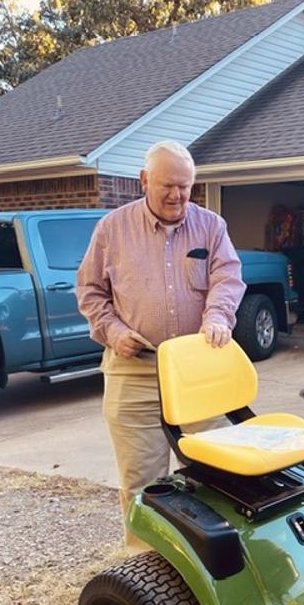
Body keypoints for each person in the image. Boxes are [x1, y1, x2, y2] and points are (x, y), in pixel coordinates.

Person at [77, 140, 245, 545]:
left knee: (216, 472)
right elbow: (90, 291)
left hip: (197, 370)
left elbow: (227, 278)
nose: (177, 195)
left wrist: (218, 317)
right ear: (144, 181)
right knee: (142, 483)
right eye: (168, 185)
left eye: (185, 186)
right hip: (133, 370)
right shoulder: (112, 229)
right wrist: (114, 332)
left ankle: (214, 565)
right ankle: (146, 575)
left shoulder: (211, 226)